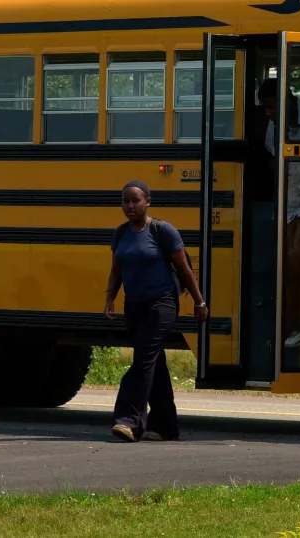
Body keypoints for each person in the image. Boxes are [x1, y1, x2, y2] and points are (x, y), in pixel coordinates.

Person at [105, 180, 209, 442]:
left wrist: (199, 302)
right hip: (134, 305)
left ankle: (128, 421)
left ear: (148, 201)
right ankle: (165, 426)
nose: (130, 206)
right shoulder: (121, 233)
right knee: (155, 364)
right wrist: (110, 298)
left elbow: (185, 269)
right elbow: (117, 269)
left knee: (143, 360)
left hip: (162, 304)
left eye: (135, 200)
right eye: (125, 201)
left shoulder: (163, 231)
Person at [259, 79, 300, 348]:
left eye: (271, 106)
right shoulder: (274, 125)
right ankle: (295, 326)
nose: (268, 113)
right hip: (289, 202)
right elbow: (274, 158)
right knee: (288, 266)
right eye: (265, 108)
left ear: (287, 99)